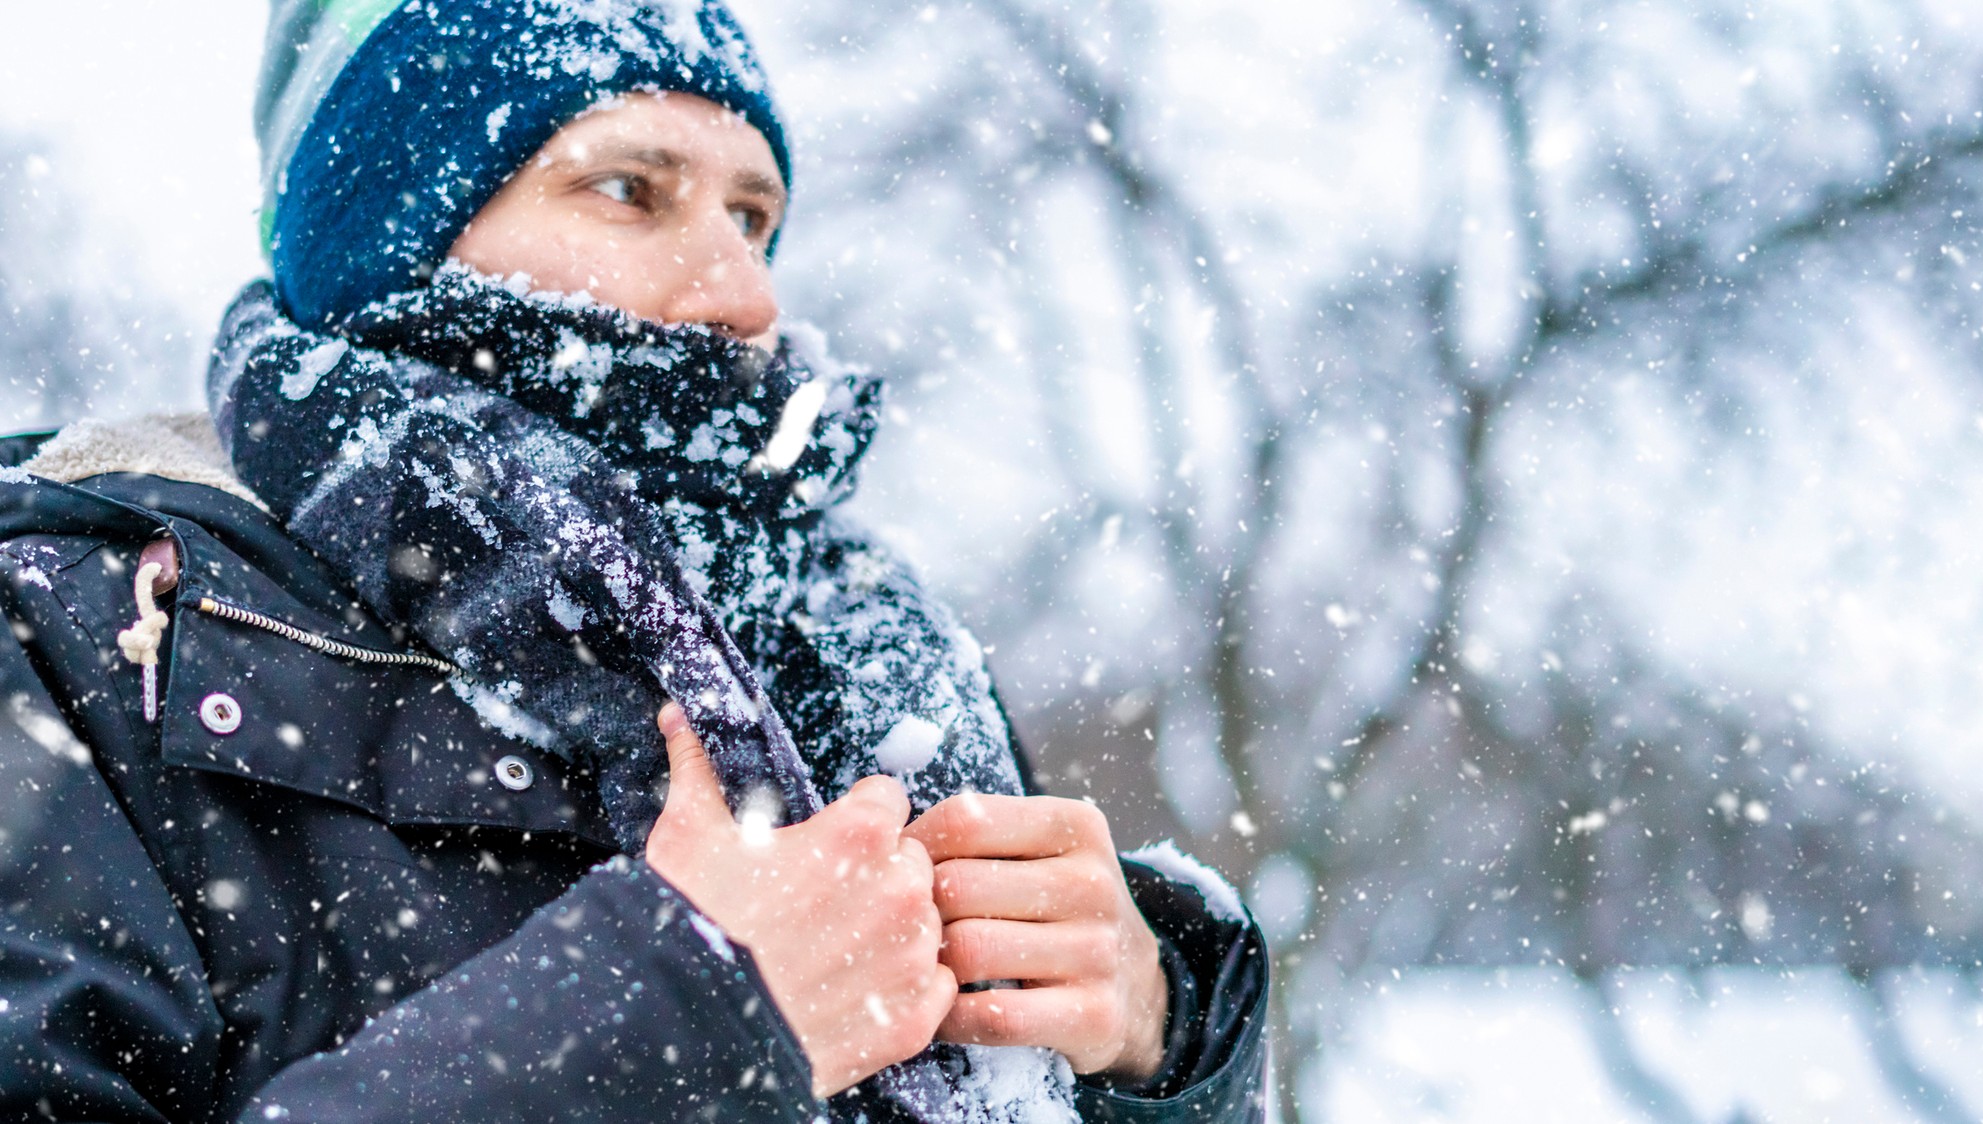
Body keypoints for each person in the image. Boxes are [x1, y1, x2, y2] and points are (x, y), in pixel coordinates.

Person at [0, 2, 1267, 1121]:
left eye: (754, 215)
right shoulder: (82, 632)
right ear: (390, 231)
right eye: (629, 189)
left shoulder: (858, 649)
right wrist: (683, 1021)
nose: (743, 294)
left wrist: (1156, 1037)